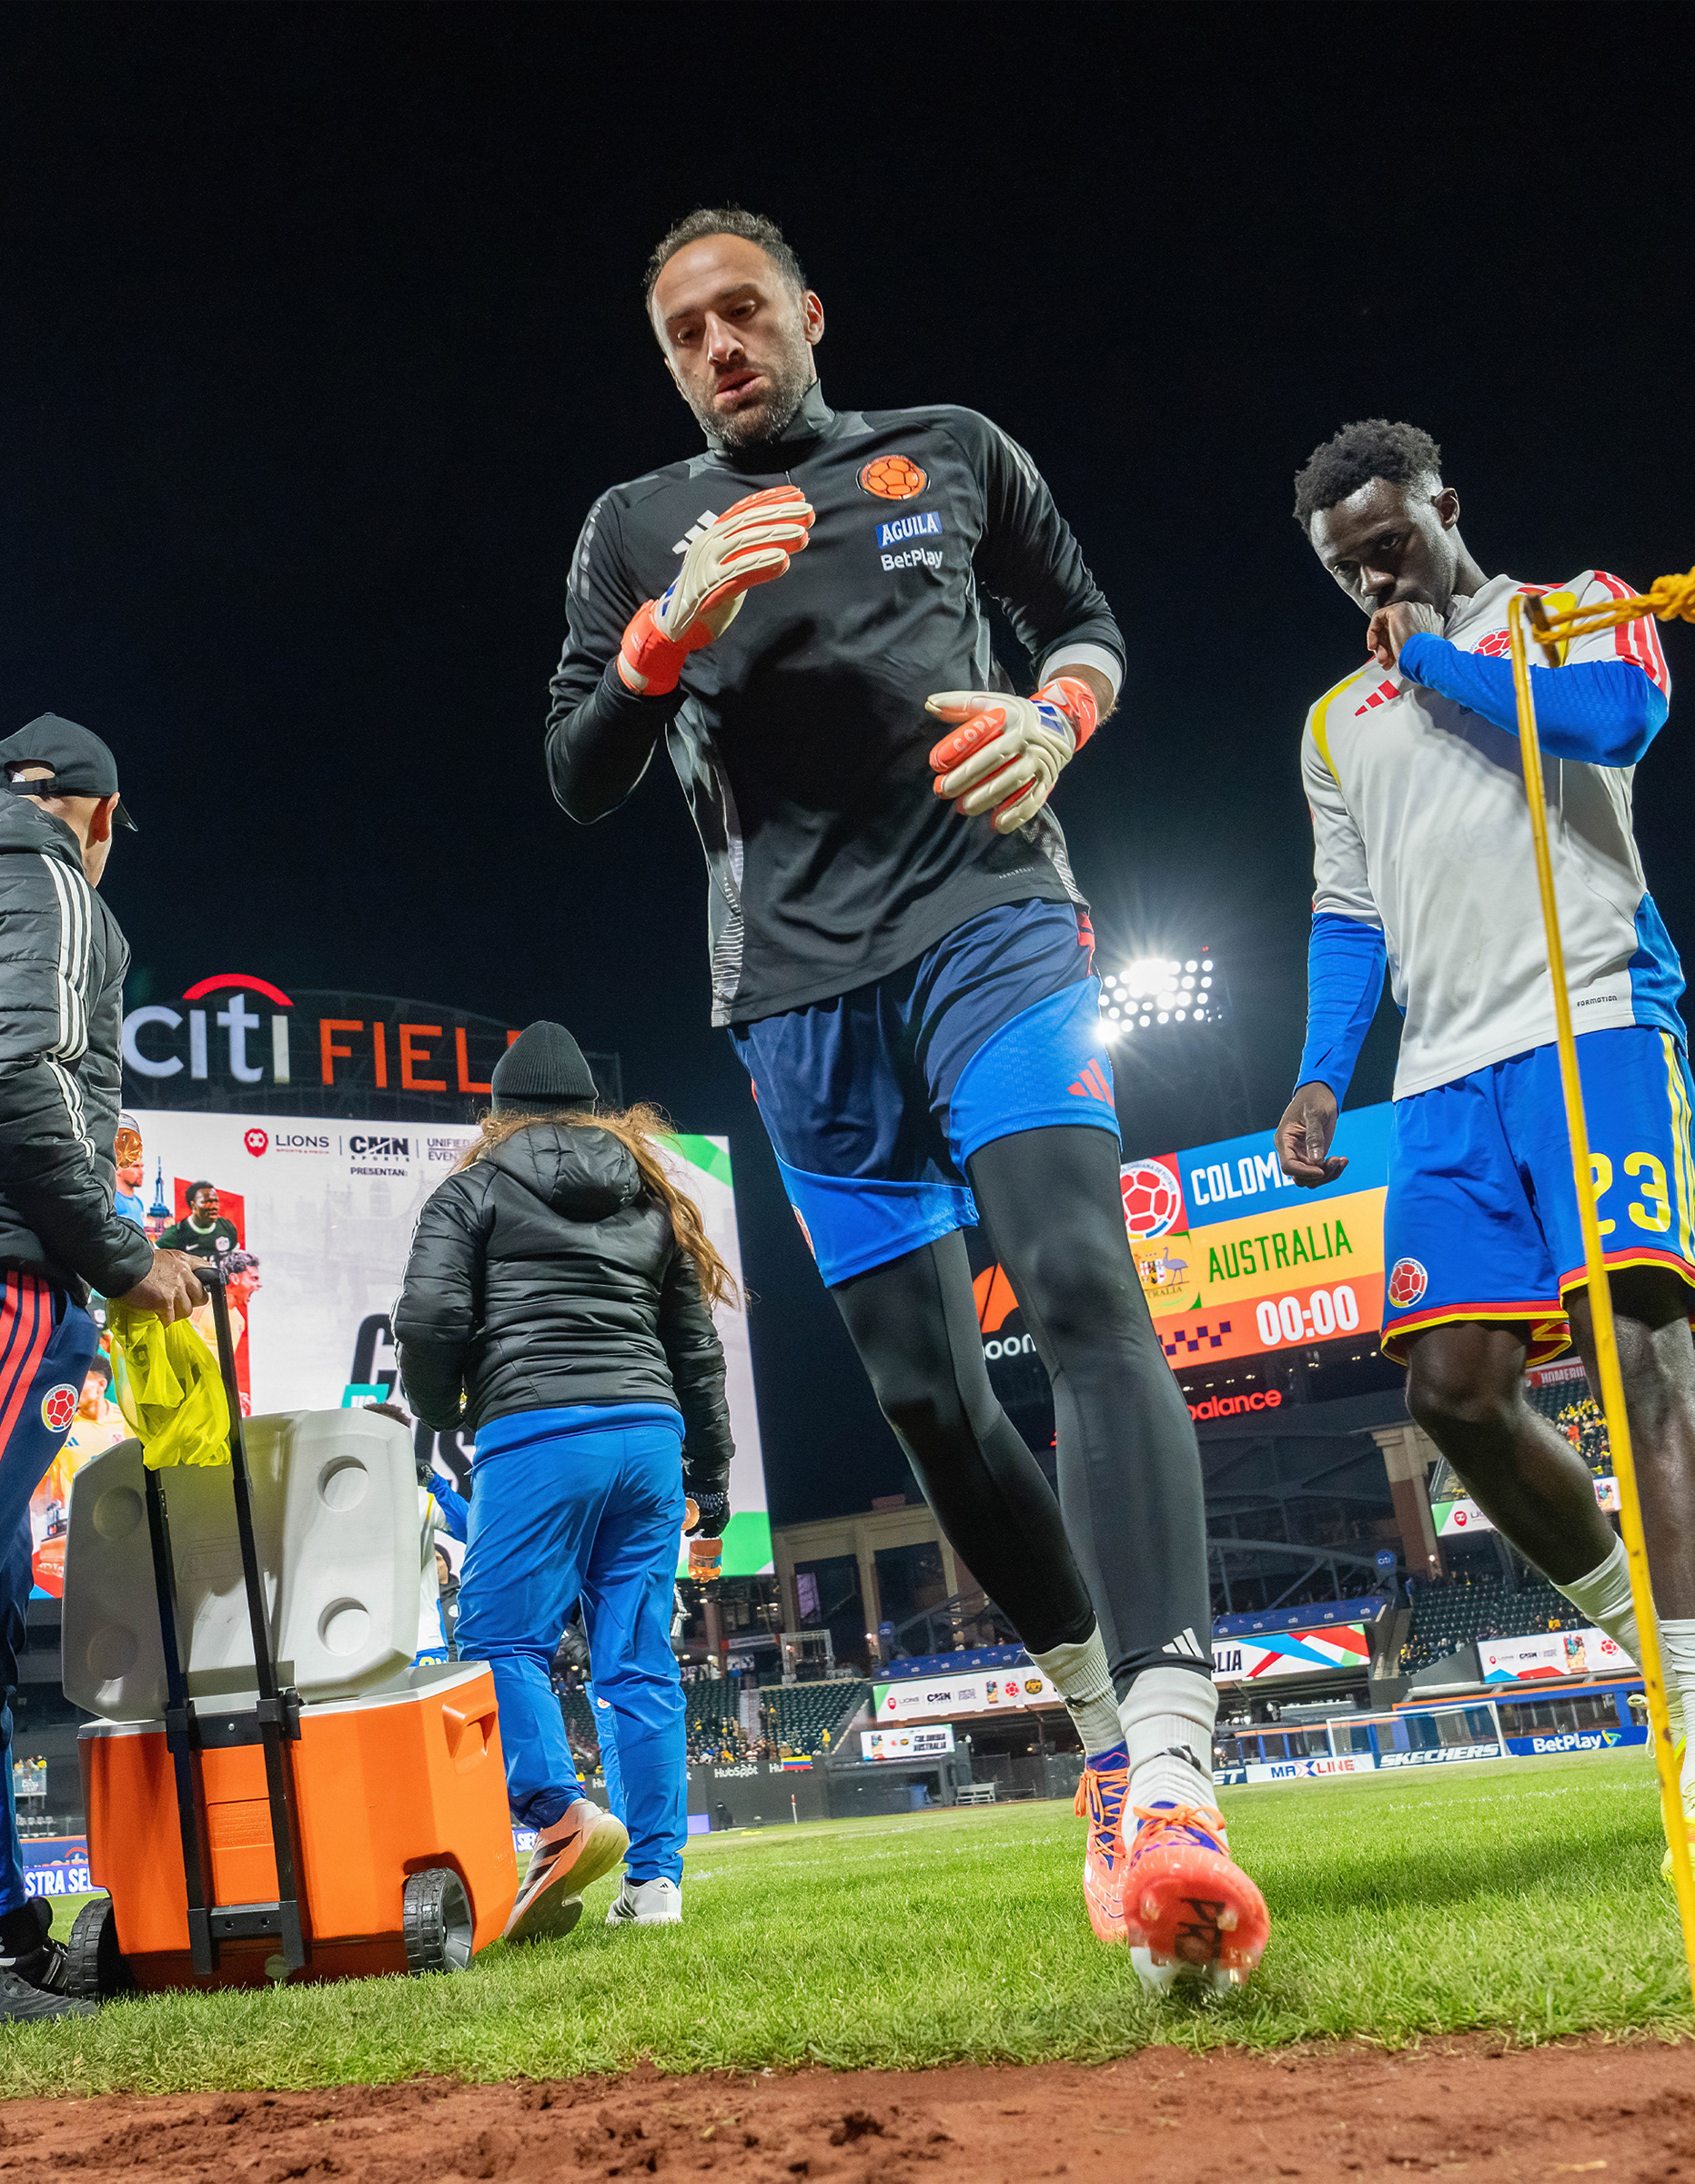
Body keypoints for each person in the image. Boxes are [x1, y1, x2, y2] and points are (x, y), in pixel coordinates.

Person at [544, 206, 1267, 1988]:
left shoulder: (950, 456)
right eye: (682, 332)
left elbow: (1084, 624)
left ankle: (1179, 1777)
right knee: (936, 1404)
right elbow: (574, 771)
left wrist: (1063, 714)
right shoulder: (637, 531)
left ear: (804, 312)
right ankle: (1105, 1741)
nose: (717, 344)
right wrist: (661, 636)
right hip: (794, 1009)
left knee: (1084, 1286)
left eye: (741, 311)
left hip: (993, 920)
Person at [1275, 420, 1695, 1876]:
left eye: (1388, 540)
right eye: (1345, 563)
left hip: (1596, 1025)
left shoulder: (1574, 609)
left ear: (1443, 508)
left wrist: (1436, 661)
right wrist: (1313, 1074)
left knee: (1641, 1359)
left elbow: (1613, 729)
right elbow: (1349, 915)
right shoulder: (1330, 723)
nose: (1370, 573)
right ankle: (1655, 1650)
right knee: (1455, 1392)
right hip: (1443, 1078)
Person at [392, 1021, 735, 1938]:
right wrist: (713, 1470)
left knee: (501, 1636)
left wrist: (448, 1411)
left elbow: (427, 1320)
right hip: (650, 1436)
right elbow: (696, 1352)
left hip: (538, 1427)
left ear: (499, 1114)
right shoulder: (652, 1195)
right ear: (594, 1111)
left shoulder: (470, 1190)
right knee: (638, 1661)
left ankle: (555, 1818)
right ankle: (655, 1883)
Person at [0, 714, 205, 2018]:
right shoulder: (50, 876)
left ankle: (14, 1933)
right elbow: (20, 1073)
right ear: (102, 813)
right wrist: (125, 1259)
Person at [157, 1181, 239, 1263]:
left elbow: (237, 1264)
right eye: (207, 1202)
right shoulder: (175, 1235)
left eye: (216, 1201)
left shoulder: (227, 1227)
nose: (214, 1206)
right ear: (193, 1205)